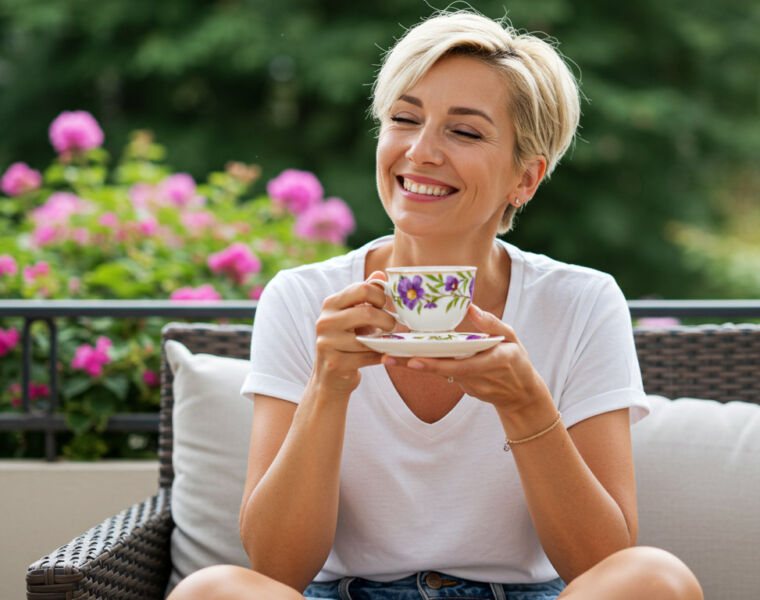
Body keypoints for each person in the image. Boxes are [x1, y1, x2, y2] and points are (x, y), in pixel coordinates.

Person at [168, 10, 703, 600]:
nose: (420, 151)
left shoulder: (580, 301)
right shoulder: (303, 299)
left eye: (465, 132)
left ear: (524, 180)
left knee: (656, 580)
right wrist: (330, 383)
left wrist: (526, 404)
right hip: (346, 593)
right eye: (404, 119)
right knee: (210, 590)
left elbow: (601, 564)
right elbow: (276, 568)